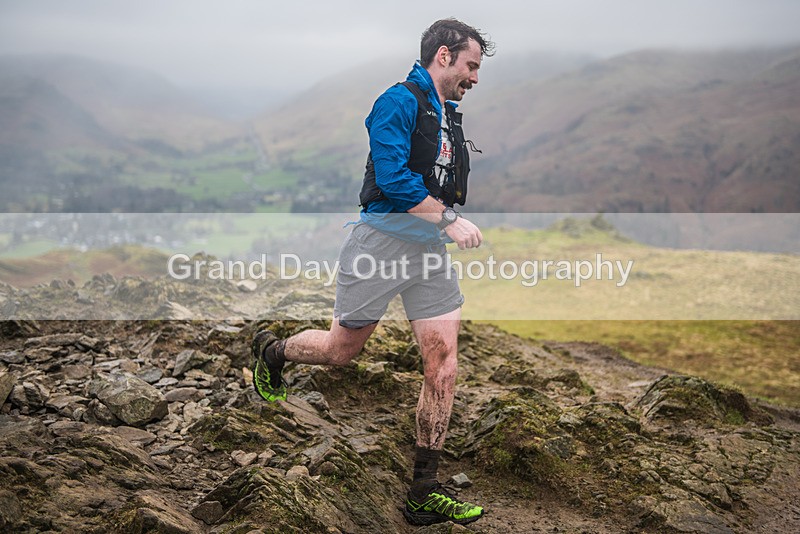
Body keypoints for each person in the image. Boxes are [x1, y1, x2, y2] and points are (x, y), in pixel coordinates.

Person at [251, 18, 494, 527]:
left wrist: (441, 225)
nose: (475, 77)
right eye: (471, 66)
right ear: (444, 56)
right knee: (341, 351)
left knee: (443, 364)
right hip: (378, 246)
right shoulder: (396, 102)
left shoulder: (446, 114)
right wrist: (449, 220)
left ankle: (424, 490)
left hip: (428, 254)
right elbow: (393, 179)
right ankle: (274, 351)